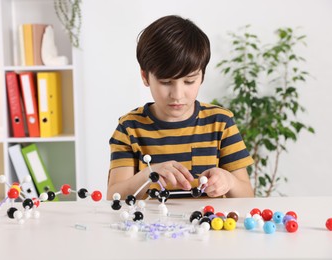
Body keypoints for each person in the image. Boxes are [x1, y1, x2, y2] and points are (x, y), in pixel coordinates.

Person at [107, 15, 254, 200]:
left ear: (202, 76)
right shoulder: (130, 128)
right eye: (165, 82)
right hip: (150, 227)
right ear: (145, 76)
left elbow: (247, 196)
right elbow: (114, 196)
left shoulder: (220, 123)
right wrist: (148, 176)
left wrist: (229, 182)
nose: (177, 94)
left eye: (189, 81)